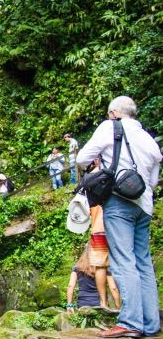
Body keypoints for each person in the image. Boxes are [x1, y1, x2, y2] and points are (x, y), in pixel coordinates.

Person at [77, 96, 162, 338]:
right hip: (144, 205)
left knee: (123, 261)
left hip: (118, 202)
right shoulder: (148, 139)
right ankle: (150, 323)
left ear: (114, 112)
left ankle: (131, 322)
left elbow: (82, 158)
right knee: (143, 262)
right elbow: (153, 181)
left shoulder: (109, 127)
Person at [88, 157, 121, 310]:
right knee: (120, 262)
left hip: (97, 228)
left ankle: (103, 302)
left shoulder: (90, 180)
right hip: (116, 225)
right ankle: (121, 305)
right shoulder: (113, 173)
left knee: (100, 266)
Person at [66, 243, 118, 313]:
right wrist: (119, 308)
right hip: (100, 304)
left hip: (82, 304)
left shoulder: (77, 267)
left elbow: (70, 286)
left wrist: (69, 305)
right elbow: (113, 288)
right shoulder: (103, 268)